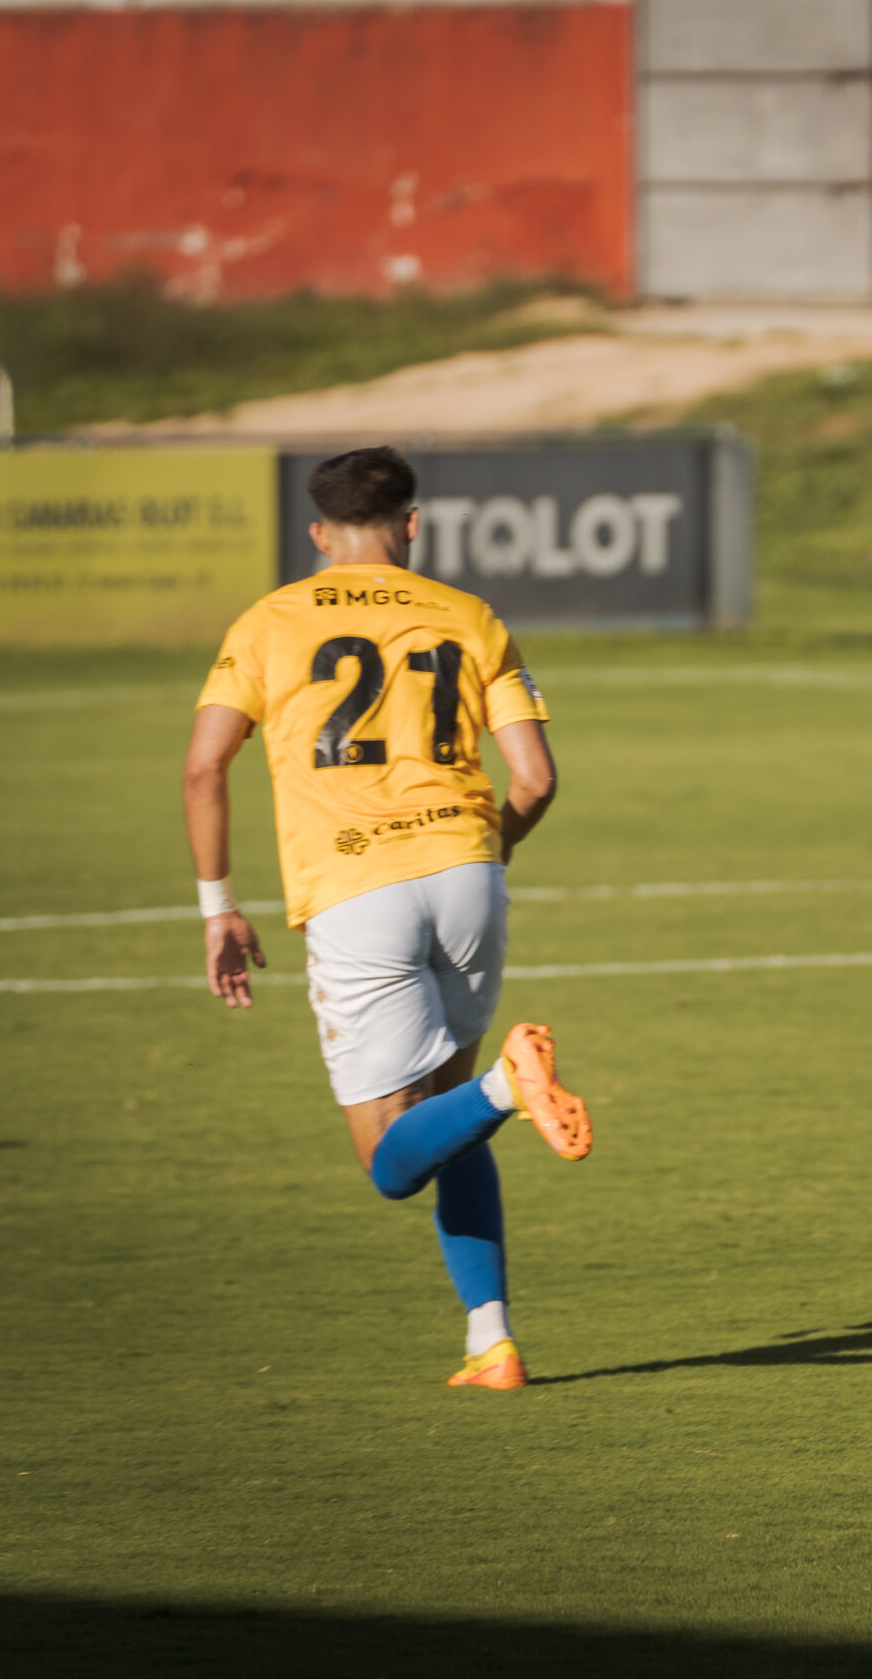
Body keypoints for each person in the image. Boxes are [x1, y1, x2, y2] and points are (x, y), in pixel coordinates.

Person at [182, 445, 591, 1391]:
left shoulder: (270, 620)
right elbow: (535, 779)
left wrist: (219, 908)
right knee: (448, 1112)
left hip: (356, 886)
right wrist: (483, 853)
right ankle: (491, 1340)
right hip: (469, 872)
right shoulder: (469, 615)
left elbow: (205, 766)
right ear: (412, 523)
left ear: (319, 534)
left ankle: (509, 1087)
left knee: (393, 1162)